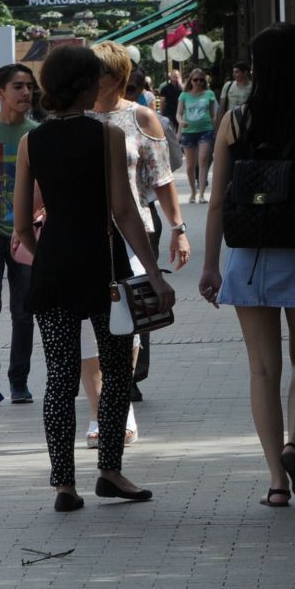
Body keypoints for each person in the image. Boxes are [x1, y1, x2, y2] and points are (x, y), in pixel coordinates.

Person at [14, 45, 176, 511]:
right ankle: (110, 470)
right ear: (88, 85)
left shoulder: (32, 142)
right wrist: (155, 275)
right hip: (104, 267)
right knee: (115, 368)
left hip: (54, 268)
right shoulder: (105, 135)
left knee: (60, 377)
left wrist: (47, 254)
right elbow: (124, 210)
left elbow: (23, 221)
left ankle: (64, 484)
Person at [199, 24, 295, 507]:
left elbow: (216, 201)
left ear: (257, 69)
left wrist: (210, 266)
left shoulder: (235, 121)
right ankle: (294, 446)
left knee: (262, 369)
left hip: (250, 251)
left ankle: (277, 484)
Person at [77, 40, 190, 448]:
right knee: (88, 327)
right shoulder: (75, 117)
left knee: (128, 322)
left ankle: (120, 409)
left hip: (133, 233)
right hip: (82, 234)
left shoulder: (141, 117)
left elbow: (161, 181)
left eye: (99, 72)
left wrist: (179, 228)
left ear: (118, 76)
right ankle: (96, 413)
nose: (91, 79)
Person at [0, 64, 40, 403]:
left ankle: (19, 380)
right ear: (0, 92)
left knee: (24, 310)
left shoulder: (37, 132)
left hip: (27, 232)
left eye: (29, 86)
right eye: (18, 86)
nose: (26, 93)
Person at [178, 69, 217, 202]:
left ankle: (201, 194)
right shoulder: (184, 95)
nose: (198, 82)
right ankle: (193, 192)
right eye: (195, 80)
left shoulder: (209, 94)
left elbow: (213, 115)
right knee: (190, 165)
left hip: (206, 130)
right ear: (191, 81)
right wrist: (180, 121)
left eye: (201, 80)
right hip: (188, 131)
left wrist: (216, 131)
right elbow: (178, 113)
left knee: (203, 159)